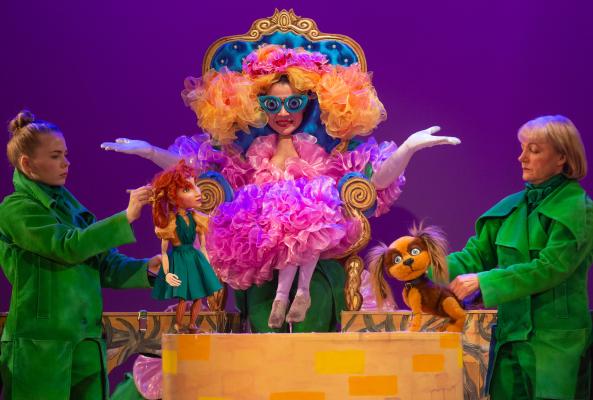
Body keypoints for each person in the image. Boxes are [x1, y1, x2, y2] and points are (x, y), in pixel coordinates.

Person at [101, 44, 460, 332]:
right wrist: (149, 152)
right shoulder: (248, 156)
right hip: (261, 259)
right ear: (258, 107)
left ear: (309, 104)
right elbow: (192, 170)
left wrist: (408, 148)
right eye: (272, 104)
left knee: (309, 322)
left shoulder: (325, 155)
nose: (283, 113)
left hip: (316, 263)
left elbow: (374, 182)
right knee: (265, 329)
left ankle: (303, 299)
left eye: (293, 103)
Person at [0, 110, 161, 400]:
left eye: (65, 154)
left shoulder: (70, 206)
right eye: (55, 156)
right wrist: (125, 217)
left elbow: (103, 261)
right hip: (42, 345)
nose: (66, 163)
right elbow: (67, 246)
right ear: (27, 164)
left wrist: (146, 269)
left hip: (85, 340)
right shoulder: (16, 209)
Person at [447, 115, 592, 399]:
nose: (522, 157)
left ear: (562, 157)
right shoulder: (511, 208)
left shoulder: (579, 210)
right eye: (522, 148)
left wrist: (484, 281)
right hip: (510, 340)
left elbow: (550, 268)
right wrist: (424, 264)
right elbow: (474, 256)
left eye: (534, 150)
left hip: (555, 344)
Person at [150, 160, 222, 333]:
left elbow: (203, 247)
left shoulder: (197, 218)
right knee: (183, 296)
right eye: (187, 189)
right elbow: (163, 252)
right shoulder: (171, 222)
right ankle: (178, 323)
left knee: (199, 295)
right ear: (173, 197)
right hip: (179, 259)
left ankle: (192, 324)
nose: (198, 192)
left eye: (195, 185)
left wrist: (208, 268)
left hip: (194, 258)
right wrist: (167, 274)